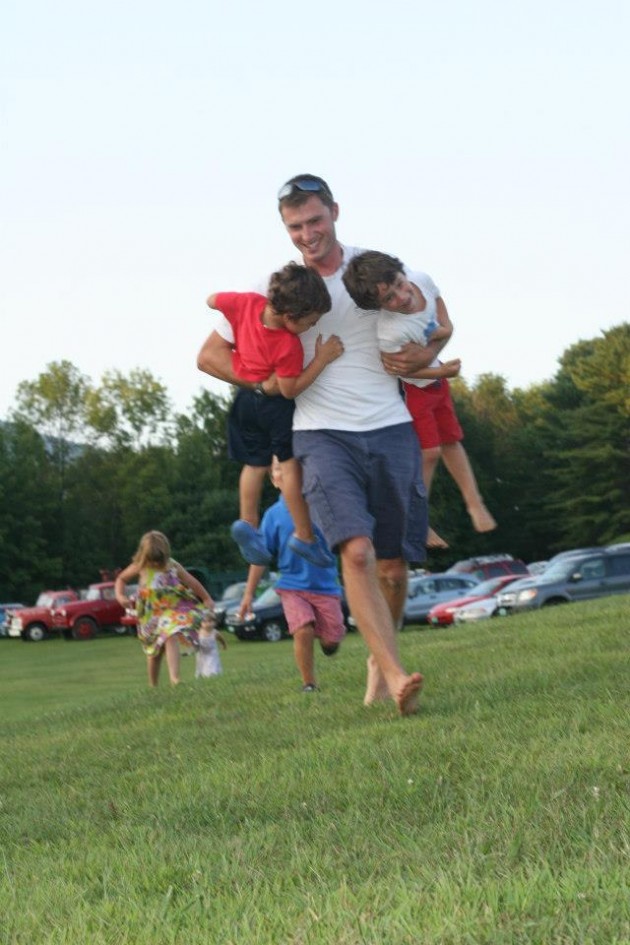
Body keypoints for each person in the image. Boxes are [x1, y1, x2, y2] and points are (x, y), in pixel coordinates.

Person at [198, 174, 446, 715]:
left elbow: (429, 313)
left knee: (394, 568)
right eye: (295, 226)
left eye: (314, 221)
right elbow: (211, 355)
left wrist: (426, 355)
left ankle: (381, 659)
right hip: (320, 434)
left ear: (334, 211)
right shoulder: (277, 288)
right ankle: (399, 675)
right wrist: (261, 383)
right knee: (355, 552)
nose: (307, 234)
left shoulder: (370, 269)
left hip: (390, 426)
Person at [342, 250, 497, 541]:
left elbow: (442, 317)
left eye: (400, 284)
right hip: (413, 391)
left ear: (403, 272)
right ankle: (415, 519)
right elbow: (402, 371)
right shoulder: (390, 332)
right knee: (430, 453)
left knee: (452, 441)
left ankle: (474, 503)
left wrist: (443, 335)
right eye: (388, 299)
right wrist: (439, 371)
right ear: (378, 306)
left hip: (438, 385)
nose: (401, 296)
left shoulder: (421, 280)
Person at [206, 261, 343, 569]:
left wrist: (223, 306)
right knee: (290, 466)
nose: (309, 328)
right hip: (274, 407)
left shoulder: (247, 303)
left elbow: (213, 300)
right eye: (309, 323)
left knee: (253, 466)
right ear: (291, 316)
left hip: (244, 400)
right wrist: (321, 359)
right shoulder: (287, 345)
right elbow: (289, 388)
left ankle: (248, 524)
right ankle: (305, 535)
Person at [237, 456, 346, 692]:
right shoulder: (273, 516)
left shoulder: (322, 506)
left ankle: (326, 636)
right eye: (278, 469)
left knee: (332, 641)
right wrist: (248, 594)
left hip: (326, 587)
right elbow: (260, 558)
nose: (285, 472)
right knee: (303, 629)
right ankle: (309, 683)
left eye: (292, 467)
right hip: (292, 586)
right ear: (274, 481)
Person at [115, 530, 216, 687]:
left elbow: (191, 581)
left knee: (171, 634)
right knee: (153, 652)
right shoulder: (139, 567)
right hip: (150, 615)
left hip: (171, 609)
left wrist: (206, 598)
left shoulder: (172, 565)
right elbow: (121, 579)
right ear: (144, 556)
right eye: (152, 560)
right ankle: (153, 685)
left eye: (158, 560)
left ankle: (175, 679)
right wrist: (121, 596)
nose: (155, 564)